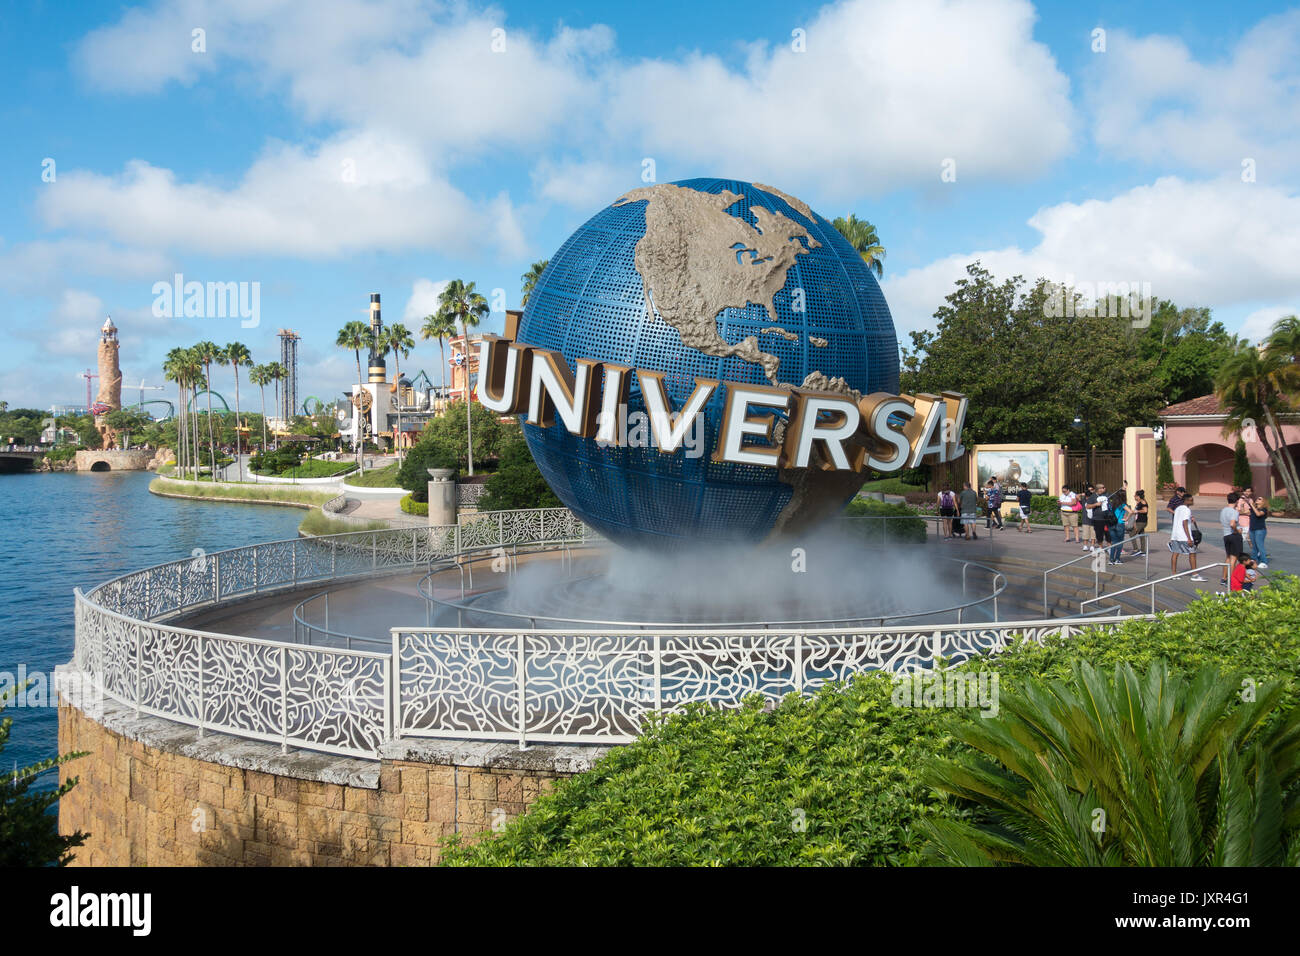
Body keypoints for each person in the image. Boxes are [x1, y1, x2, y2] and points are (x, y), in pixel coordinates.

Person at [1168, 493, 1204, 580]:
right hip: (1184, 536)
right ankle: (1195, 574)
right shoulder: (1187, 510)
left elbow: (1181, 520)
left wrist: (1191, 520)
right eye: (1191, 500)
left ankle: (1173, 574)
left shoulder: (1177, 509)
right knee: (1192, 553)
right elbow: (1184, 523)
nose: (1192, 502)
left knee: (1175, 553)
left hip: (1175, 535)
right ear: (1186, 500)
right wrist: (1189, 538)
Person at [1219, 492, 1244, 590]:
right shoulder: (1234, 512)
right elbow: (1232, 523)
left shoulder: (1223, 510)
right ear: (1237, 501)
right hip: (1233, 536)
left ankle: (1223, 578)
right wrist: (1237, 531)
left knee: (1228, 558)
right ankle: (1231, 580)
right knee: (1234, 559)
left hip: (1226, 535)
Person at [1248, 495, 1270, 567]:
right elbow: (1244, 512)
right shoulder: (1253, 509)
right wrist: (1241, 505)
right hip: (1252, 529)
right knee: (1254, 546)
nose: (1257, 499)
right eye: (1257, 498)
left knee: (1260, 546)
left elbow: (1258, 514)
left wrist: (1251, 504)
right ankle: (1254, 560)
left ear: (1263, 502)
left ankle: (1264, 561)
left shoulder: (1264, 509)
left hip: (1260, 530)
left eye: (1260, 499)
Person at [1108, 489, 1128, 563]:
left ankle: (1111, 559)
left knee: (1113, 542)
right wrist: (1126, 518)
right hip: (1120, 523)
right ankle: (1117, 559)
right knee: (1120, 542)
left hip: (1112, 523)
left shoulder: (1111, 504)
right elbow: (1131, 512)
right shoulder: (1123, 504)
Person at [1092, 483, 1113, 553]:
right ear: (1099, 489)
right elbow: (1087, 506)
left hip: (1107, 518)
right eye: (1102, 488)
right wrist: (1096, 504)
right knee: (1099, 533)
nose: (1104, 489)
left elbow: (1117, 494)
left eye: (1104, 487)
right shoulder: (1093, 496)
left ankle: (1109, 547)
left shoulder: (1107, 495)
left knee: (1108, 533)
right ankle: (1100, 547)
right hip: (1097, 519)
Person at [1129, 490, 1149, 555]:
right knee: (1141, 535)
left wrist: (1137, 511)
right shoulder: (1139, 502)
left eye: (1135, 495)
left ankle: (1136, 549)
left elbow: (1145, 510)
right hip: (1139, 521)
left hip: (1141, 521)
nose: (1134, 497)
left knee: (1132, 533)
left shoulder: (1143, 502)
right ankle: (1143, 551)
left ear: (1138, 496)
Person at [1082, 484, 1098, 551]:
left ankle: (1092, 546)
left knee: (1093, 534)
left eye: (1089, 497)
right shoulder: (1083, 500)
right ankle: (1085, 545)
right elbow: (1077, 496)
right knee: (1085, 534)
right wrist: (1081, 494)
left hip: (1093, 520)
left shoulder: (1095, 500)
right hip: (1085, 520)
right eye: (1087, 497)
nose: (1088, 498)